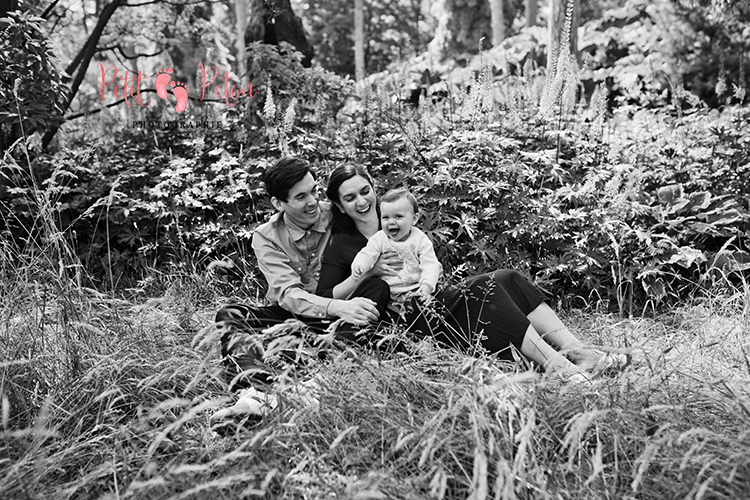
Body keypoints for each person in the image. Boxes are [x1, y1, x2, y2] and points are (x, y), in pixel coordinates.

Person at [316, 163, 627, 378]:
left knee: (507, 277)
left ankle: (577, 349)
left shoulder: (398, 219)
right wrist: (365, 275)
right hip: (401, 318)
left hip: (426, 300)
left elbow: (428, 264)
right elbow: (327, 299)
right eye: (350, 197)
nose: (361, 201)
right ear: (341, 206)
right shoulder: (343, 243)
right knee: (482, 289)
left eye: (364, 190)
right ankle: (557, 365)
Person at [215, 157, 394, 394]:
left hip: (346, 309)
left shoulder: (336, 211)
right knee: (231, 314)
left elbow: (379, 219)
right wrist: (335, 306)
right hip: (297, 315)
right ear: (278, 203)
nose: (313, 203)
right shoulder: (267, 237)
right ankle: (254, 390)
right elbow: (288, 294)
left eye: (314, 191)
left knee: (375, 287)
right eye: (301, 197)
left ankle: (326, 373)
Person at [350, 188, 442, 310]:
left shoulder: (419, 239)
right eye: (386, 217)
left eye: (398, 216)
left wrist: (427, 286)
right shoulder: (380, 238)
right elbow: (367, 253)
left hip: (416, 289)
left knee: (426, 308)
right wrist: (360, 265)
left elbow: (430, 264)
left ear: (414, 219)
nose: (391, 222)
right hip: (389, 294)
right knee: (385, 310)